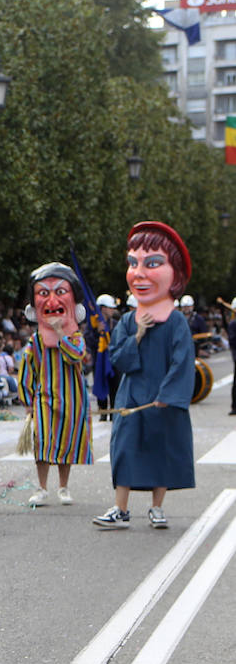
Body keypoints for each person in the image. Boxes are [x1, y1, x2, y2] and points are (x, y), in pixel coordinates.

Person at [93, 222, 196, 530]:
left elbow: (182, 361)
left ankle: (157, 507)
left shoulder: (176, 322)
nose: (139, 272)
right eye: (133, 263)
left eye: (152, 263)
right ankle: (120, 509)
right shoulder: (127, 321)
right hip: (132, 394)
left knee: (160, 450)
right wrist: (137, 334)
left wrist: (169, 395)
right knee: (124, 447)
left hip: (161, 398)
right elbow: (119, 359)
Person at [17, 263, 92, 507]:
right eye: (44, 293)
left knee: (67, 442)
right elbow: (27, 370)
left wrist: (61, 334)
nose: (51, 301)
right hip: (45, 398)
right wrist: (28, 401)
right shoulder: (35, 340)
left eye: (60, 292)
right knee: (43, 442)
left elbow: (76, 356)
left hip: (72, 399)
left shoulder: (75, 337)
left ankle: (63, 487)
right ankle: (41, 487)